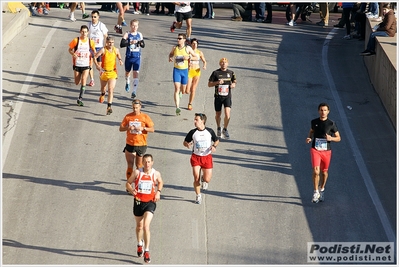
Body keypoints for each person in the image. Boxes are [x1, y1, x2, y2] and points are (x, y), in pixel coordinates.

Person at [126, 154, 163, 264]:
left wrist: (158, 192)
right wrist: (132, 190)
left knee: (146, 226)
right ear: (142, 163)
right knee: (139, 226)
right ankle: (139, 244)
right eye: (145, 162)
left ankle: (147, 251)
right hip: (138, 202)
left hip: (150, 202)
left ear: (152, 162)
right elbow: (128, 183)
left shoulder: (155, 174)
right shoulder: (137, 173)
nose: (147, 164)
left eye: (149, 162)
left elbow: (160, 182)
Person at [305, 102, 341, 203]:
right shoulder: (314, 122)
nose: (323, 112)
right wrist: (309, 137)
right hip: (315, 149)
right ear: (318, 111)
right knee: (316, 171)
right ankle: (316, 192)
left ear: (328, 112)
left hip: (326, 151)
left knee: (324, 172)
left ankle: (322, 189)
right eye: (321, 110)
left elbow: (339, 138)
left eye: (325, 110)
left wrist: (331, 138)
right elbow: (311, 131)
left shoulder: (331, 124)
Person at [183, 113, 219, 204]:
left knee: (207, 179)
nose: (194, 121)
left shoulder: (209, 131)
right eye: (194, 120)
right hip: (196, 157)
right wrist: (187, 144)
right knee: (196, 178)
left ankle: (204, 180)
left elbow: (217, 140)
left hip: (207, 157)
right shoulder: (192, 132)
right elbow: (185, 142)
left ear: (202, 121)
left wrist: (214, 146)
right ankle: (198, 195)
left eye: (196, 120)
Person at [119, 99, 155, 181]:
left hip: (141, 144)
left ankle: (139, 183)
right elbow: (121, 128)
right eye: (133, 108)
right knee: (130, 165)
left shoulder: (145, 117)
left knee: (139, 165)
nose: (135, 110)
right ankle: (129, 184)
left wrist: (143, 128)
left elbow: (152, 129)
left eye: (137, 108)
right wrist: (128, 128)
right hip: (130, 143)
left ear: (140, 107)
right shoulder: (128, 116)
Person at [168, 33, 198, 116]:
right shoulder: (175, 48)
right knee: (176, 89)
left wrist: (189, 57)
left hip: (184, 71)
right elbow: (171, 54)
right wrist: (170, 57)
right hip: (176, 70)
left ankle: (182, 91)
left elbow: (196, 57)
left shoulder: (188, 48)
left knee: (183, 91)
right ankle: (177, 107)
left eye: (180, 38)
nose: (178, 40)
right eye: (178, 38)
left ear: (184, 40)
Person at [207, 58, 237, 139]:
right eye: (222, 62)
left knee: (227, 114)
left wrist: (233, 84)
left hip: (227, 96)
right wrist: (217, 82)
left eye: (225, 62)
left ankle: (225, 129)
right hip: (218, 97)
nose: (223, 64)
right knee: (218, 114)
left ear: (228, 64)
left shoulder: (231, 73)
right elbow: (209, 84)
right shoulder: (215, 73)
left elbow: (234, 81)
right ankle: (218, 127)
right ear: (219, 64)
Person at [68, 25, 96, 106]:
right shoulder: (76, 40)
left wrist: (93, 58)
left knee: (84, 80)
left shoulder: (90, 42)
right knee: (77, 82)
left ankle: (80, 98)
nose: (84, 33)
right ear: (80, 32)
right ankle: (80, 88)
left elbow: (94, 52)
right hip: (77, 64)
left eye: (85, 32)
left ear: (88, 33)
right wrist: (73, 54)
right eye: (82, 32)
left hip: (86, 64)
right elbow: (69, 49)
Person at [94, 36, 123, 115]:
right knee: (103, 89)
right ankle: (102, 94)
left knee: (110, 89)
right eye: (109, 42)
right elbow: (95, 57)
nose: (111, 44)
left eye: (112, 43)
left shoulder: (116, 50)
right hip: (104, 72)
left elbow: (118, 55)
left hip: (112, 72)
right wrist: (97, 65)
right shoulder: (103, 50)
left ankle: (109, 107)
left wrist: (120, 60)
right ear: (106, 43)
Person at [120, 19, 145, 99]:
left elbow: (143, 45)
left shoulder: (139, 34)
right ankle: (127, 81)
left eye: (136, 26)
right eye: (133, 25)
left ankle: (134, 91)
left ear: (138, 26)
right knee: (127, 72)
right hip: (129, 57)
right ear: (130, 26)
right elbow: (122, 44)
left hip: (136, 57)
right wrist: (130, 42)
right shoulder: (127, 34)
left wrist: (139, 43)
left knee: (135, 73)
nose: (134, 27)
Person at [87, 10, 109, 87]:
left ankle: (102, 80)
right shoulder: (89, 25)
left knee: (99, 66)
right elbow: (86, 35)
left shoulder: (101, 25)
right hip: (91, 48)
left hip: (99, 47)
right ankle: (92, 80)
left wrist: (106, 46)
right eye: (92, 17)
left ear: (98, 17)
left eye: (95, 17)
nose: (93, 18)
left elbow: (106, 36)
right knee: (90, 64)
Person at [185, 38, 206, 111]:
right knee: (187, 91)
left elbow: (204, 61)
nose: (194, 45)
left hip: (197, 71)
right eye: (193, 43)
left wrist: (204, 65)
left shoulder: (200, 52)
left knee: (193, 89)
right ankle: (183, 89)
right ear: (190, 44)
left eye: (196, 44)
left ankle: (190, 104)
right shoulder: (188, 52)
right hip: (189, 71)